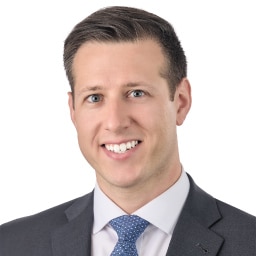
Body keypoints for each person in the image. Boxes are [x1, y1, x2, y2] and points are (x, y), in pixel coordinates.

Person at [0, 6, 255, 256]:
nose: (115, 121)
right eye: (95, 97)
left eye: (136, 93)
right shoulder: (11, 245)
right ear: (73, 111)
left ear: (181, 101)